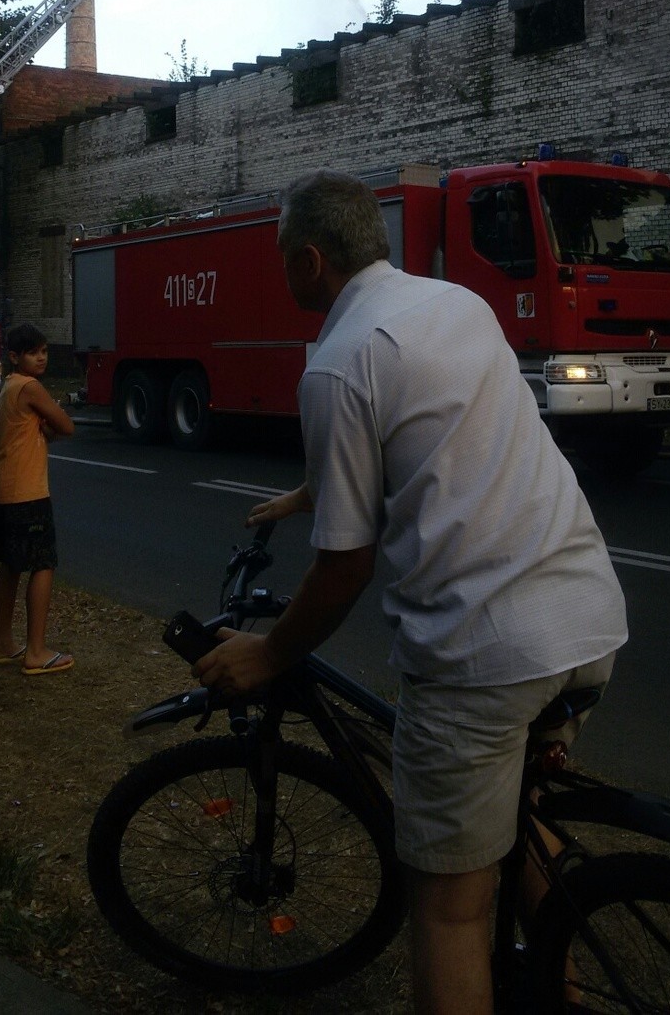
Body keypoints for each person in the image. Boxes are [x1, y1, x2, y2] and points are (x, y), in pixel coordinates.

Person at [196, 170, 628, 1015]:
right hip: (589, 619)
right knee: (516, 813)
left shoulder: (335, 364)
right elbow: (432, 435)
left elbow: (344, 569)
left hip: (486, 657)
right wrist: (309, 494)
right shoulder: (457, 305)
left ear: (310, 261)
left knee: (450, 912)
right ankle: (562, 991)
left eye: (285, 256)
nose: (284, 268)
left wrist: (269, 651)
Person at [0, 322, 75, 676]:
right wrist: (48, 423)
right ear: (14, 357)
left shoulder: (9, 386)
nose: (41, 358)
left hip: (1, 489)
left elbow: (39, 430)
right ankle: (36, 650)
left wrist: (43, 428)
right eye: (33, 352)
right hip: (27, 492)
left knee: (10, 564)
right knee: (43, 564)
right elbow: (66, 426)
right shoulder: (31, 387)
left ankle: (1, 642)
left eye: (44, 352)